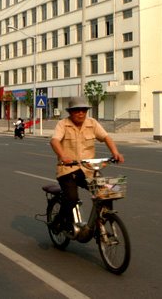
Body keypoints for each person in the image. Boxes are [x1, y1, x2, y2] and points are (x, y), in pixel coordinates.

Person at [49, 96, 124, 231]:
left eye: (83, 110)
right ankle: (59, 220)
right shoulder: (63, 124)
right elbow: (54, 141)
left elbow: (106, 137)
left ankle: (101, 222)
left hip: (88, 170)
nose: (80, 113)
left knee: (110, 191)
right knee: (72, 198)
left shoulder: (92, 123)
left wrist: (115, 153)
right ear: (70, 112)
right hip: (67, 170)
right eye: (77, 110)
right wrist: (63, 156)